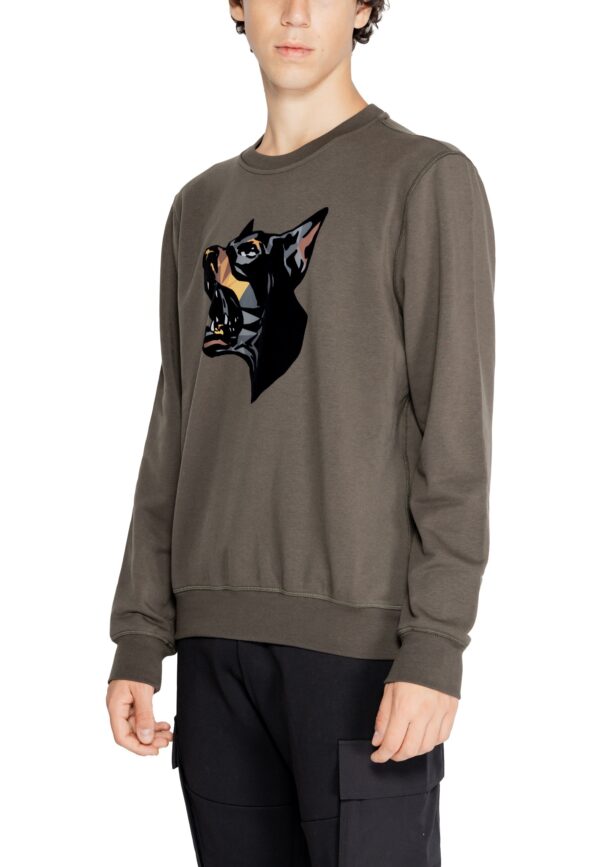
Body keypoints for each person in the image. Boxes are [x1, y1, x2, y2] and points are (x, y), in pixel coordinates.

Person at [105, 1, 496, 864]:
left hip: (359, 653)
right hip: (213, 651)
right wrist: (140, 629)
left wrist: (435, 645)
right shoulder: (199, 206)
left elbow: (455, 444)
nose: (293, 13)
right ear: (236, 7)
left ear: (364, 8)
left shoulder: (425, 181)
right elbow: (174, 427)